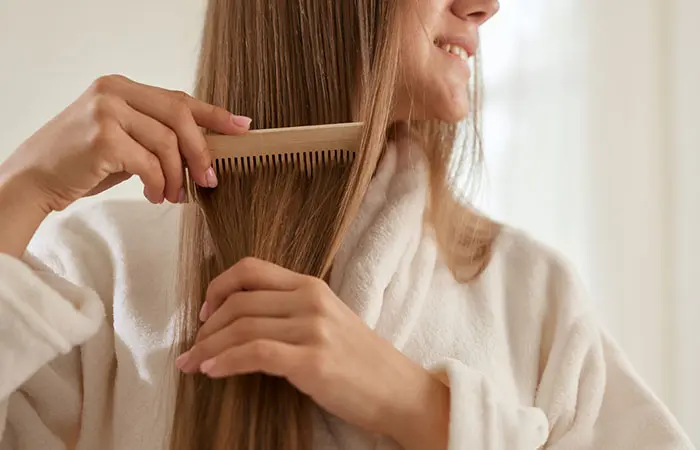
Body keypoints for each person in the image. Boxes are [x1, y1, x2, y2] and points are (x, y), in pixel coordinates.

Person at [0, 0, 694, 449]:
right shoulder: (96, 273)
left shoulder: (533, 296)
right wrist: (19, 190)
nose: (485, 5)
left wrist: (426, 410)